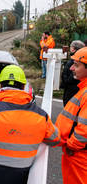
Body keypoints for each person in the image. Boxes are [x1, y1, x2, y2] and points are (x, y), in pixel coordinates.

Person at [55, 47, 87, 184]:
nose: (71, 68)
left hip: (79, 156)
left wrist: (71, 146)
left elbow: (84, 130)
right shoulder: (83, 90)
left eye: (76, 65)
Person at [60, 40, 85, 106]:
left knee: (69, 106)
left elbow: (72, 76)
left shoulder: (75, 60)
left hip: (71, 88)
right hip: (72, 87)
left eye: (71, 47)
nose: (72, 68)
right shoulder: (77, 59)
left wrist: (66, 81)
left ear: (74, 49)